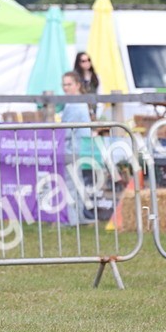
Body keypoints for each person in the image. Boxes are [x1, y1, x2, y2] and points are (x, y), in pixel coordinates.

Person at [59, 71, 96, 224]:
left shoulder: (74, 105)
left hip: (73, 148)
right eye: (64, 85)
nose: (66, 88)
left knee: (71, 184)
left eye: (69, 84)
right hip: (79, 148)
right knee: (77, 183)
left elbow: (66, 131)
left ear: (77, 85)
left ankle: (73, 219)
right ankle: (79, 217)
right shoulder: (77, 103)